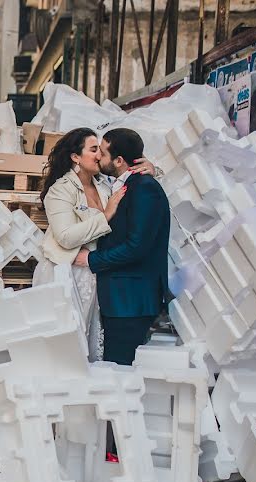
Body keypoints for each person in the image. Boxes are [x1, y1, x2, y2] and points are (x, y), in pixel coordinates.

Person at [73, 128, 171, 366]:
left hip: (131, 301)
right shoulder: (124, 184)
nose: (97, 157)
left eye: (103, 153)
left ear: (119, 160)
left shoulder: (144, 188)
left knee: (120, 371)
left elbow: (137, 246)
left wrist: (92, 260)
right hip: (121, 299)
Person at [33, 128, 127, 361]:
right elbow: (65, 236)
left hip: (92, 272)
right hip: (63, 272)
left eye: (101, 151)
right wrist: (104, 216)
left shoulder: (104, 185)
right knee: (62, 346)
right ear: (75, 157)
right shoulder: (60, 190)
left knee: (86, 342)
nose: (98, 156)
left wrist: (154, 170)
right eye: (93, 149)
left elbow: (129, 177)